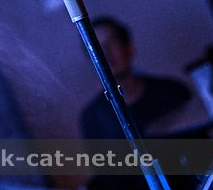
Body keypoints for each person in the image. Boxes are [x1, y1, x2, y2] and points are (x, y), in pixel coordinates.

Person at [79, 17, 193, 190]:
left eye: (112, 44)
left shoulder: (172, 91)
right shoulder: (92, 118)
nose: (106, 54)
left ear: (129, 48)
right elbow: (107, 179)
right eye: (97, 48)